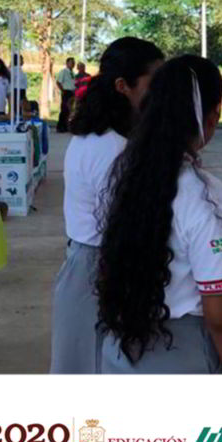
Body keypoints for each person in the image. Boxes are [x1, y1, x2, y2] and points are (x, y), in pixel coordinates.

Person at [96, 55, 222, 374]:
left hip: (120, 350)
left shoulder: (124, 175)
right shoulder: (204, 195)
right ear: (213, 116)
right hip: (182, 356)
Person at [51, 37, 164, 373]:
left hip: (96, 263)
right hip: (100, 268)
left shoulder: (101, 136)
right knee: (92, 369)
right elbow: (124, 226)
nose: (161, 93)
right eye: (153, 83)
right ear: (123, 86)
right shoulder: (110, 148)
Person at [56, 57, 77, 133]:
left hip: (72, 92)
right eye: (71, 62)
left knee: (69, 110)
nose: (73, 64)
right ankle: (60, 127)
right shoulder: (64, 71)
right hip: (66, 91)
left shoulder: (73, 73)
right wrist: (63, 91)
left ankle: (66, 126)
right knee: (64, 109)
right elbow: (58, 82)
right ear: (67, 63)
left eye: (74, 63)